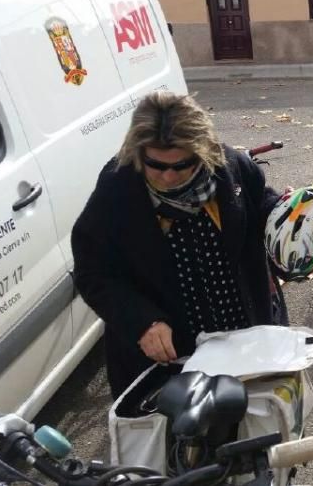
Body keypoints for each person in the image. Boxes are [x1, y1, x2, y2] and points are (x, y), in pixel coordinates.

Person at [72, 91, 284, 398]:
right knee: (182, 441)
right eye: (156, 165)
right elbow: (92, 271)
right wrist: (142, 322)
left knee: (254, 430)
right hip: (170, 359)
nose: (168, 177)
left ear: (203, 152)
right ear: (139, 152)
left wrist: (289, 216)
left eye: (182, 165)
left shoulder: (231, 166)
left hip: (243, 338)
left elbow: (262, 206)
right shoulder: (117, 187)